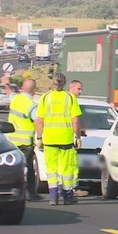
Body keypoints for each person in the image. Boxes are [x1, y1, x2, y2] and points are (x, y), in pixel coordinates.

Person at [36, 73, 82, 205]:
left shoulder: (45, 98)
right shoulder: (70, 98)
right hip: (66, 139)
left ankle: (53, 197)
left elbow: (40, 121)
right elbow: (76, 121)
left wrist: (39, 138)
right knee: (67, 170)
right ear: (65, 83)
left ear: (53, 83)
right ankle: (68, 197)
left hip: (50, 140)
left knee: (51, 169)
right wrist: (77, 137)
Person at [8, 78, 42, 201]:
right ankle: (30, 193)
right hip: (25, 142)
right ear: (33, 90)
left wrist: (7, 83)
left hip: (12, 141)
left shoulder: (15, 99)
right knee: (29, 169)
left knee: (13, 168)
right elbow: (38, 121)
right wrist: (40, 138)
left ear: (22, 87)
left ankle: (13, 191)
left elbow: (10, 94)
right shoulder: (31, 104)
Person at [68, 80, 89, 197]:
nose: (80, 91)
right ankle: (73, 188)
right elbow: (75, 121)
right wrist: (78, 136)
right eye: (78, 89)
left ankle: (60, 189)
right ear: (71, 88)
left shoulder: (64, 99)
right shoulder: (72, 100)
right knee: (73, 164)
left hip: (59, 136)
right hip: (69, 137)